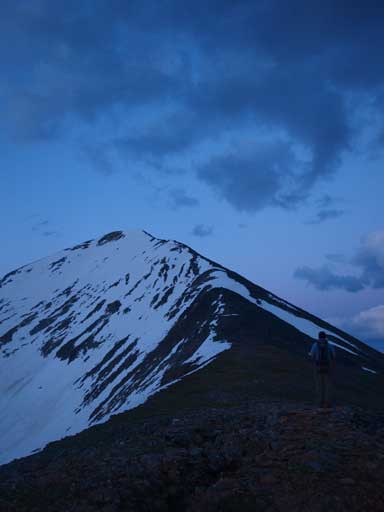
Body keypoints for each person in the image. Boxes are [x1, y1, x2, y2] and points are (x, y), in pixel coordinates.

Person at [309, 331, 336, 408]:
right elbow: (334, 355)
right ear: (325, 337)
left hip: (318, 367)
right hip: (328, 368)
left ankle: (319, 402)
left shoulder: (315, 345)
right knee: (328, 385)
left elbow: (311, 355)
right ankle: (327, 402)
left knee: (319, 385)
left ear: (318, 337)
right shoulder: (330, 346)